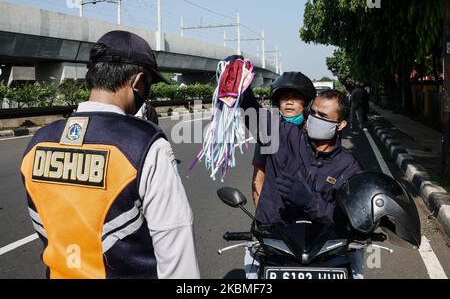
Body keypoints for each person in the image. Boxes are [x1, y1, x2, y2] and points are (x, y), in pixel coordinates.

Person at [20, 30, 200, 279]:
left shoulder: (38, 142)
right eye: (149, 83)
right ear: (137, 82)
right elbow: (176, 246)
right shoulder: (146, 144)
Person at [241, 75, 364, 279]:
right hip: (274, 243)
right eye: (313, 113)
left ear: (340, 125)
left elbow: (351, 218)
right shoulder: (287, 135)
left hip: (326, 253)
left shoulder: (349, 166)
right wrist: (242, 88)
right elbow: (256, 118)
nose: (314, 119)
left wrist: (311, 202)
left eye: (322, 116)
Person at [251, 72, 316, 207]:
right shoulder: (269, 133)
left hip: (312, 209)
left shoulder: (315, 135)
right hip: (276, 211)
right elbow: (259, 177)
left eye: (296, 97)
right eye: (285, 97)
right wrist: (261, 213)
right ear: (278, 103)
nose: (289, 102)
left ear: (306, 104)